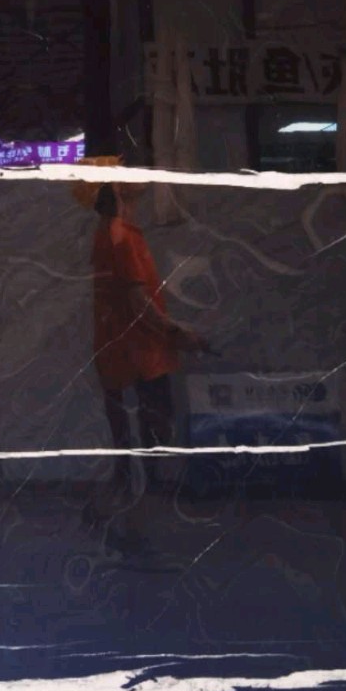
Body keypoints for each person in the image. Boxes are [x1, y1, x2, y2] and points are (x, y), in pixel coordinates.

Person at [86, 178, 207, 544]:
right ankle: (137, 532)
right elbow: (139, 303)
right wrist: (177, 332)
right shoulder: (123, 238)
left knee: (132, 448)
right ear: (117, 189)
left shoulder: (108, 234)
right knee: (150, 445)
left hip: (122, 357)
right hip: (140, 358)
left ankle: (120, 524)